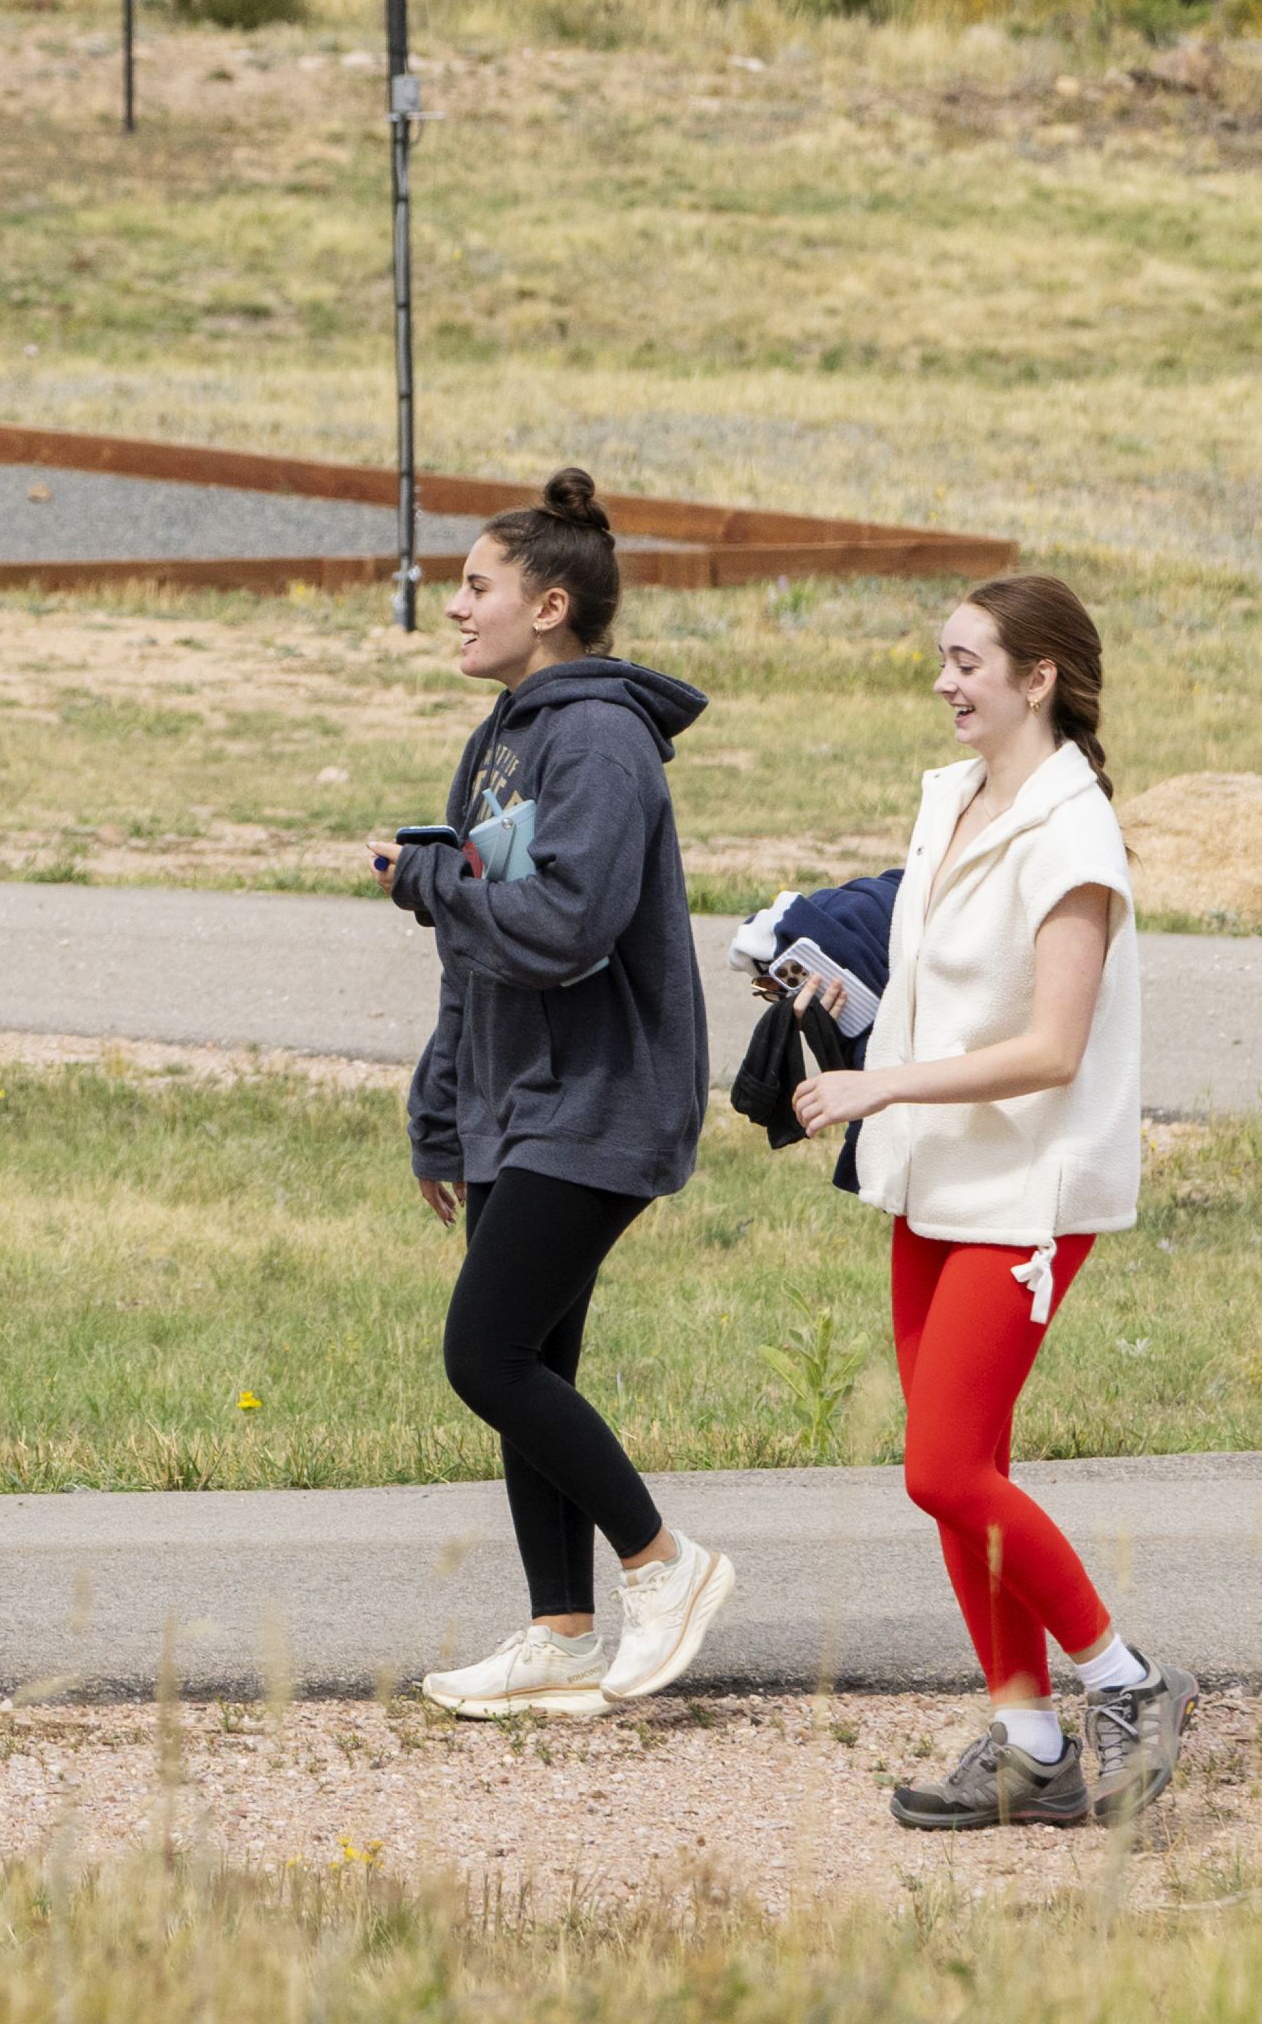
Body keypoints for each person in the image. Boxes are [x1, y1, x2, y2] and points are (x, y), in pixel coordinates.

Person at [787, 574, 1189, 1827]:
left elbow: (1051, 1048)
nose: (945, 682)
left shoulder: (1073, 836)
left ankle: (1129, 1680)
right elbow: (940, 991)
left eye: (968, 662)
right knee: (969, 1469)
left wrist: (877, 1086)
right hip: (936, 1172)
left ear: (1038, 681)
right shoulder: (954, 800)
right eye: (942, 658)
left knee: (944, 1469)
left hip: (1025, 1188)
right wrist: (838, 1013)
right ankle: (1029, 1743)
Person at [377, 467, 736, 1723]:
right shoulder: (506, 736)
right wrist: (441, 1108)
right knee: (535, 1356)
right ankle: (562, 1633)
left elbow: (567, 923)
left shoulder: (597, 738)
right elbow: (479, 941)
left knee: (485, 1354)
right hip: (516, 1100)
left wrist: (427, 883)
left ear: (550, 602)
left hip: (601, 1095)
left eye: (476, 586)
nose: (454, 608)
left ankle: (664, 1567)